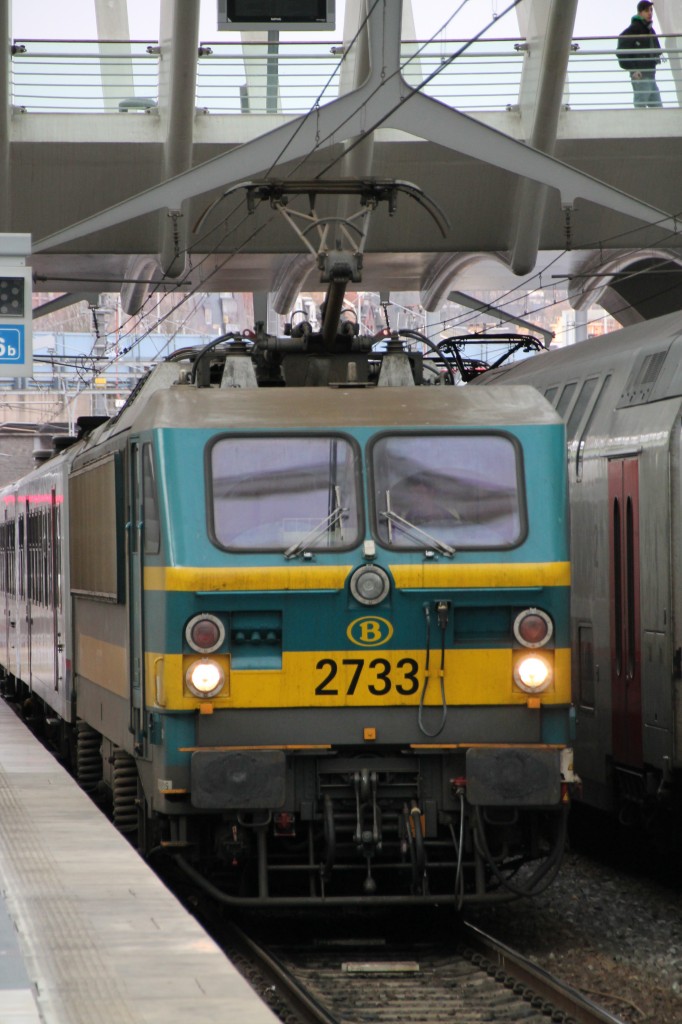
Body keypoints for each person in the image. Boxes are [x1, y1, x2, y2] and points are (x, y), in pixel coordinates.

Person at [617, 2, 662, 109]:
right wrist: (633, 69)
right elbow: (621, 51)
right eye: (646, 10)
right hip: (641, 74)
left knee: (658, 109)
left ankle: (652, 125)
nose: (650, 13)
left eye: (651, 10)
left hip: (650, 75)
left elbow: (657, 49)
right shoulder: (635, 29)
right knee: (641, 105)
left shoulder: (650, 29)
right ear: (640, 12)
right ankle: (637, 125)